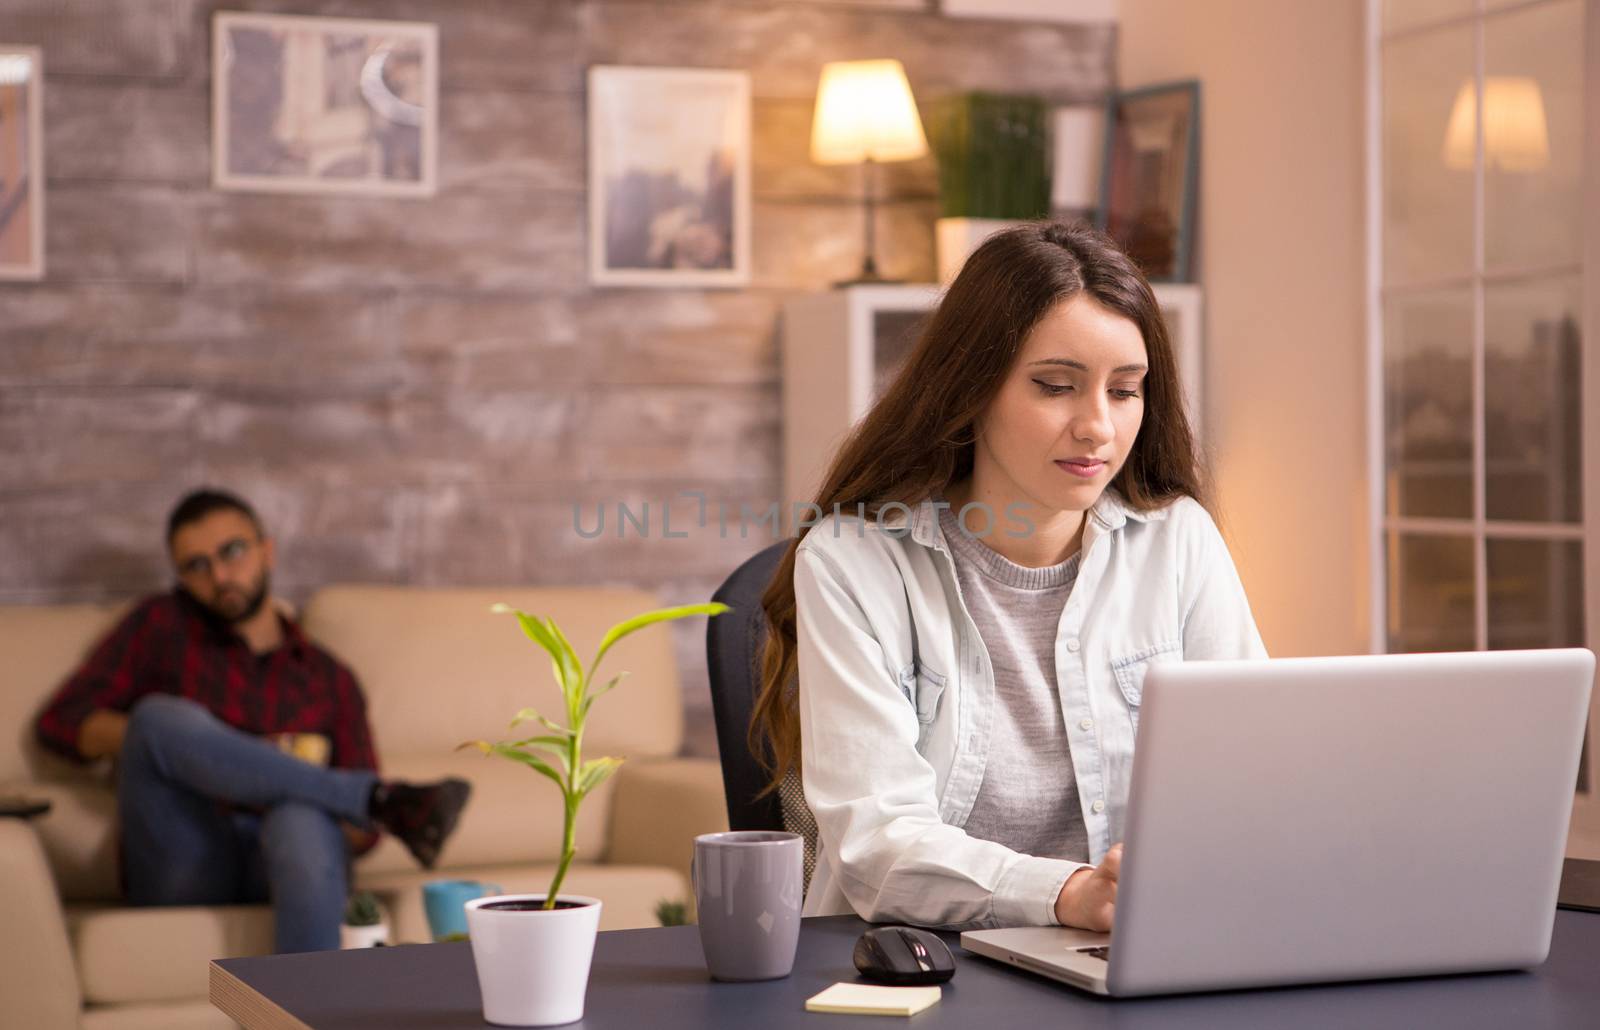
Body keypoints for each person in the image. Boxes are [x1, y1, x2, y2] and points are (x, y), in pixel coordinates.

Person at [749, 222, 1265, 933]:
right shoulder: (854, 563)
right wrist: (1070, 893)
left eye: (1125, 391)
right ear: (973, 387)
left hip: (1128, 956)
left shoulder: (1178, 542)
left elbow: (1256, 783)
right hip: (917, 966)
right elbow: (877, 845)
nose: (1097, 427)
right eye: (1057, 387)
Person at [35, 489, 472, 953]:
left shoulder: (329, 678)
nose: (220, 576)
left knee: (299, 818)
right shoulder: (162, 626)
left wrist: (281, 785)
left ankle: (300, 1019)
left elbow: (361, 838)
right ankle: (374, 796)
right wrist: (180, 745)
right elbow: (60, 722)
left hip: (289, 860)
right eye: (197, 566)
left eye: (232, 552)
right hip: (185, 856)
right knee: (157, 716)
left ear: (267, 551)